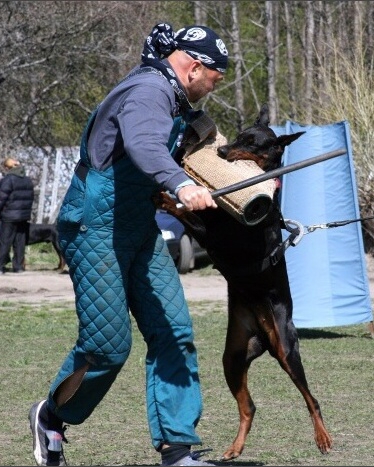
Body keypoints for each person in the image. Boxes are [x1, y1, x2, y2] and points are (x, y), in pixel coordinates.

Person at [28, 22, 228, 467]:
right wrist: (179, 185)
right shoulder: (148, 92)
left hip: (138, 228)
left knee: (174, 332)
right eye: (215, 79)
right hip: (95, 228)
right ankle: (53, 415)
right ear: (194, 67)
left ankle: (177, 449)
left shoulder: (176, 102)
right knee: (107, 346)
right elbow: (142, 145)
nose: (214, 88)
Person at [0, 157, 34, 275]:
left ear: (7, 168)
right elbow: (31, 198)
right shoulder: (27, 180)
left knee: (5, 241)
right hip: (23, 215)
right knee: (19, 241)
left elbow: (0, 199)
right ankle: (18, 266)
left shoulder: (8, 179)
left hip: (9, 215)